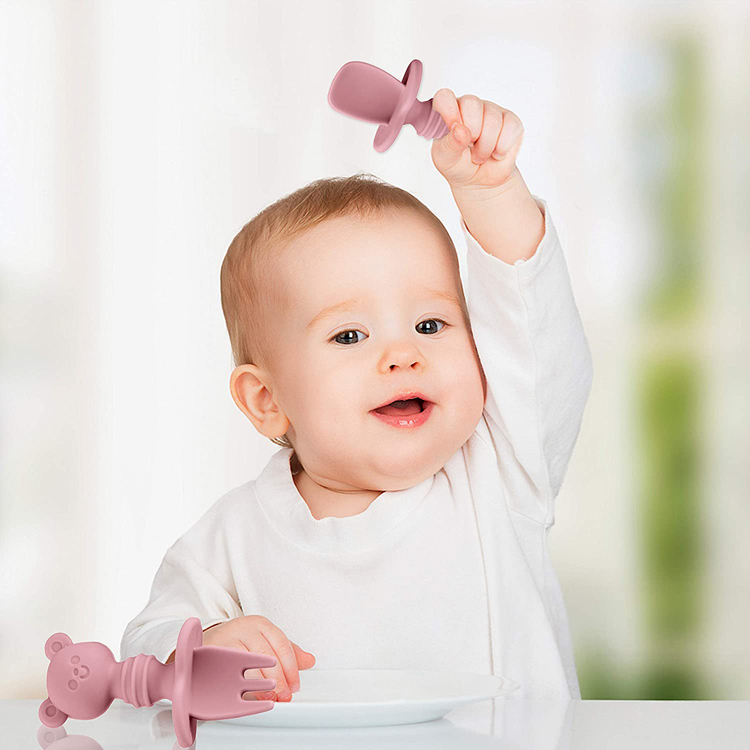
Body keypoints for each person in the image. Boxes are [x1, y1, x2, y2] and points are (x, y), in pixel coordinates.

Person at [120, 89, 593, 702]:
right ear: (267, 400)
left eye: (430, 324)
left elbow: (539, 341)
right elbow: (145, 645)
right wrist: (205, 648)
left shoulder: (501, 474)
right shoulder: (233, 536)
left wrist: (492, 194)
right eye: (349, 335)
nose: (403, 354)